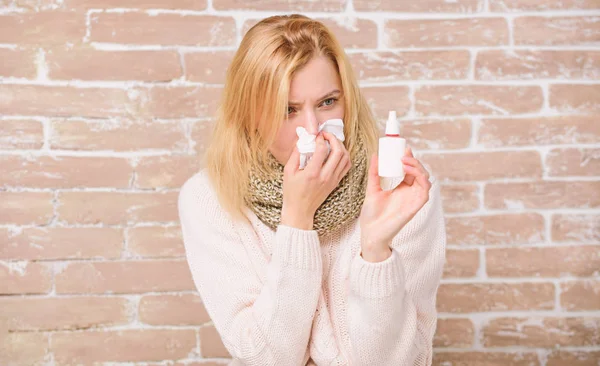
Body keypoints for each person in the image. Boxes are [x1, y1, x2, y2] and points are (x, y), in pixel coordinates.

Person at [177, 14, 446, 366]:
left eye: (327, 102)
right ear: (248, 114)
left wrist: (376, 250)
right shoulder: (209, 198)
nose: (313, 129)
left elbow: (393, 361)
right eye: (286, 110)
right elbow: (267, 358)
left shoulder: (400, 186)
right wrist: (298, 217)